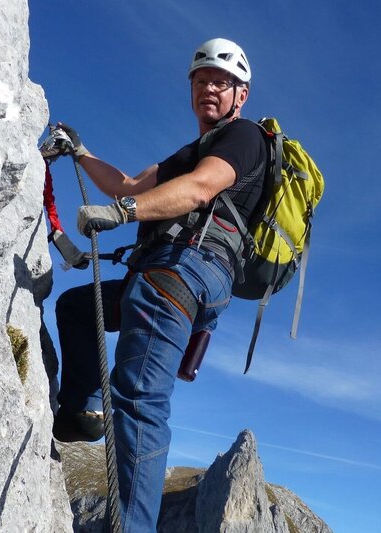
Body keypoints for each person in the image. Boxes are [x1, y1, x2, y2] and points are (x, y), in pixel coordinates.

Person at [52, 37, 266, 531]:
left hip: (182, 270)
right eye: (201, 80)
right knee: (76, 308)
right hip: (163, 273)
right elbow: (126, 183)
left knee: (139, 401)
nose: (210, 87)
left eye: (222, 81)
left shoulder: (244, 137)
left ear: (241, 95)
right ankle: (82, 410)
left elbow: (201, 188)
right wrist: (81, 154)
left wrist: (121, 215)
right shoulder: (189, 152)